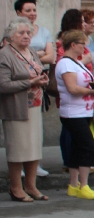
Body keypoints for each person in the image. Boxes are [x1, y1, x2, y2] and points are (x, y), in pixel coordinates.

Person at [0, 18, 49, 202]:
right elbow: (3, 85)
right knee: (18, 149)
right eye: (21, 33)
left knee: (34, 148)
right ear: (11, 36)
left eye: (28, 33)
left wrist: (43, 81)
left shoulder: (31, 52)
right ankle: (16, 187)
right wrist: (30, 83)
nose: (26, 36)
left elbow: (39, 72)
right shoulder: (5, 54)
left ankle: (31, 185)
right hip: (16, 108)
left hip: (34, 106)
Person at [55, 30, 94, 199]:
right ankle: (84, 185)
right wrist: (92, 92)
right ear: (73, 45)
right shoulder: (66, 64)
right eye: (82, 44)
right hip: (73, 113)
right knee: (87, 147)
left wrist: (93, 92)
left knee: (77, 147)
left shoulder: (76, 62)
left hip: (82, 111)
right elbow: (72, 88)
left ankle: (74, 184)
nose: (85, 47)